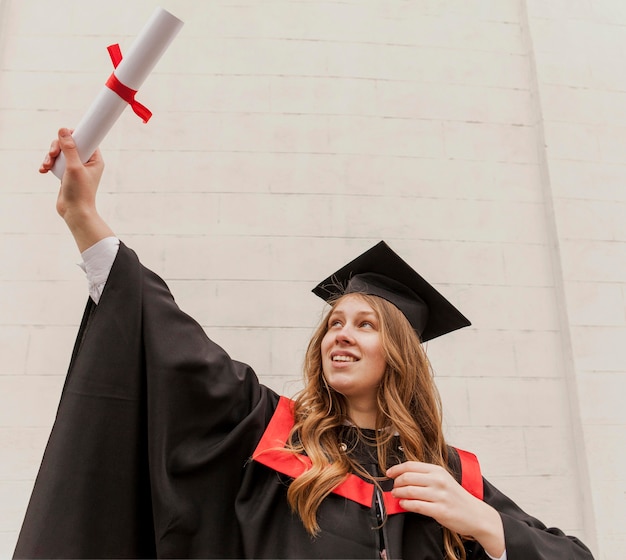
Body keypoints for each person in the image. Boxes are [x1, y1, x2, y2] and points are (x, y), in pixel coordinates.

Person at [13, 128, 595, 560]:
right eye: (334, 323)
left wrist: (485, 524)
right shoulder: (270, 431)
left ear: (401, 355)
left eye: (365, 324)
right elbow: (172, 342)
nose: (340, 333)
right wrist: (84, 217)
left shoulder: (445, 475)